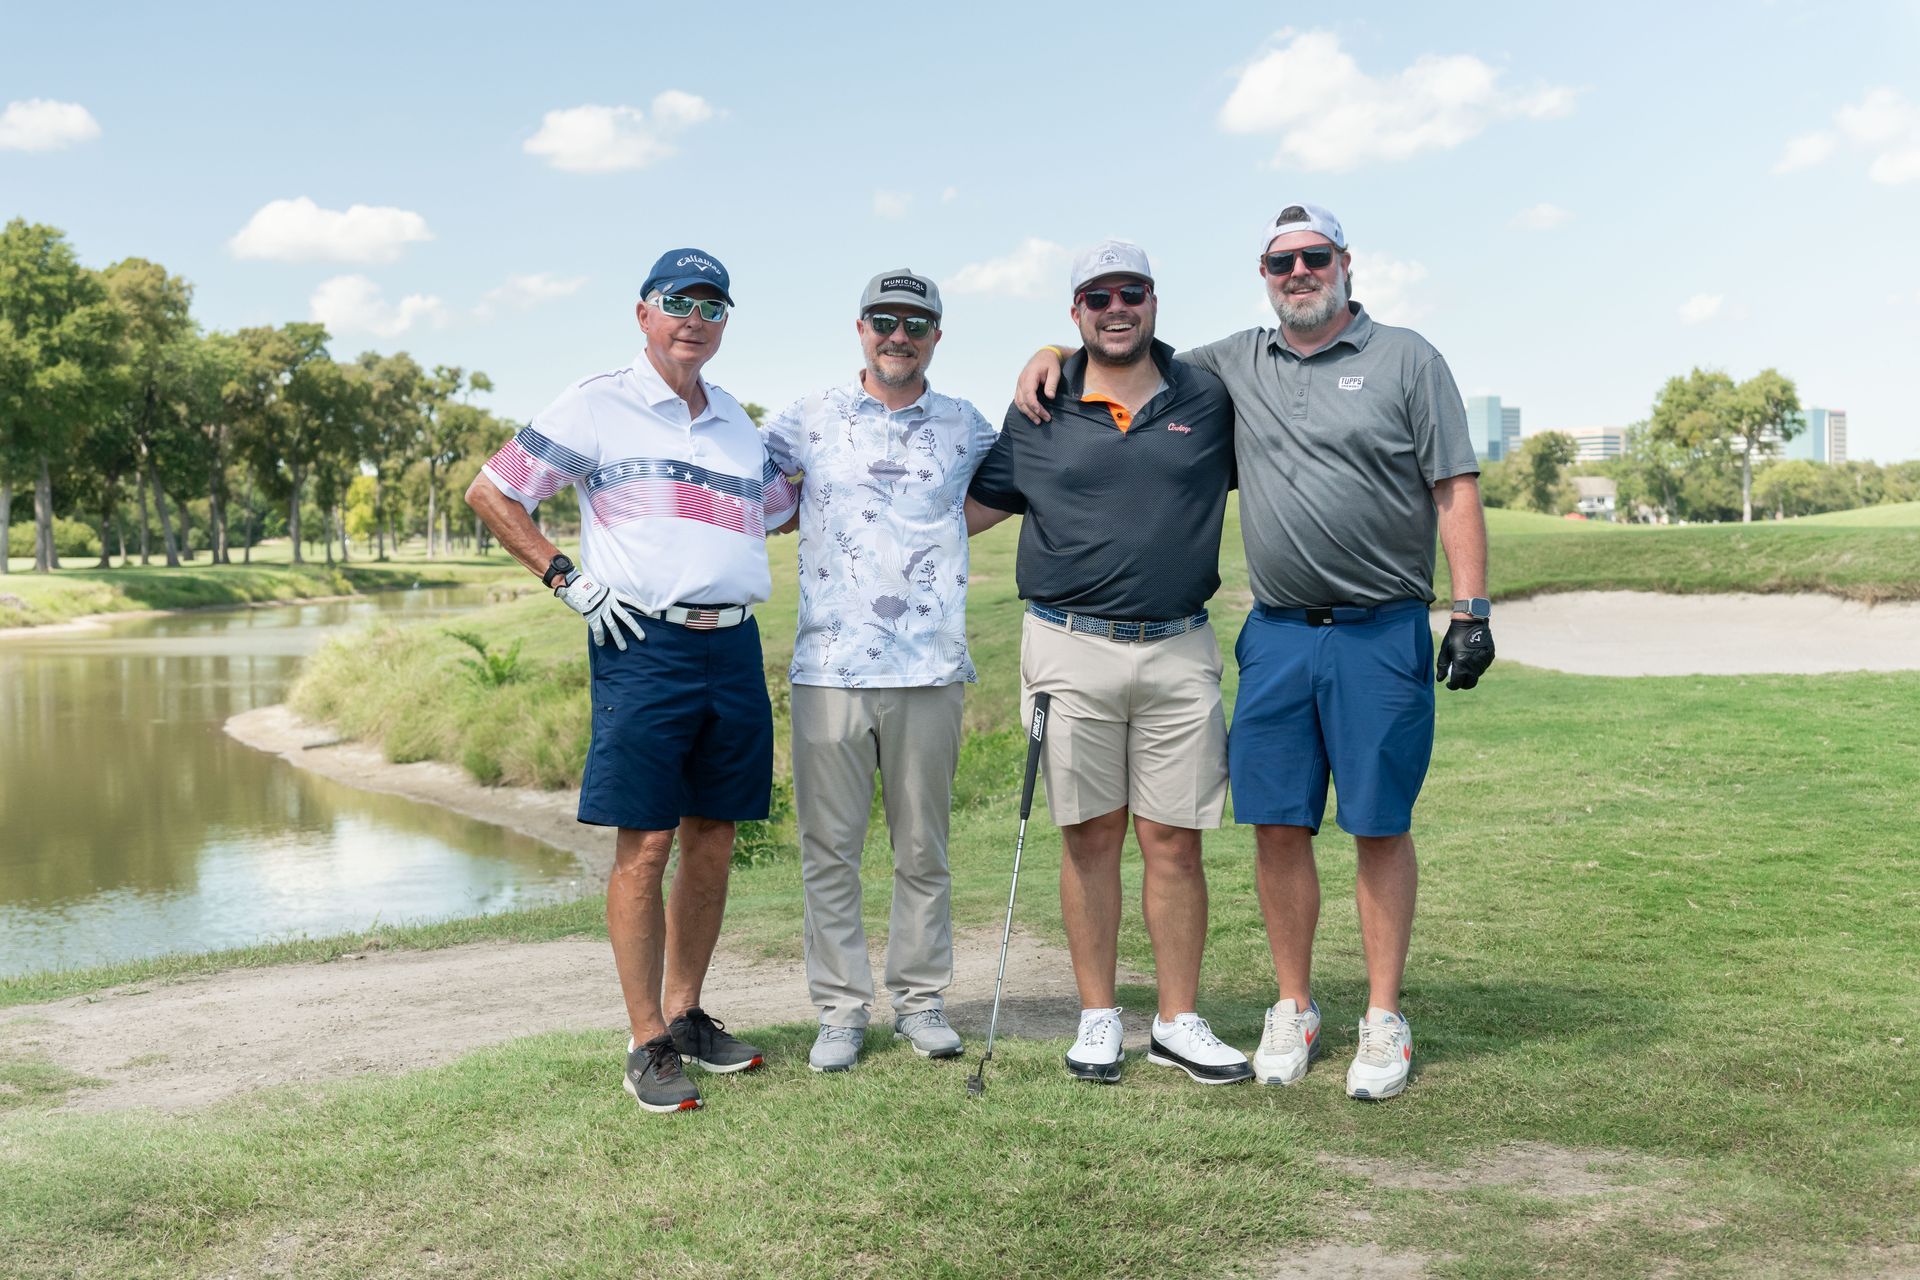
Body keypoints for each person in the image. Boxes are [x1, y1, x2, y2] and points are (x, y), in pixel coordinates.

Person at [1013, 205, 1495, 1101]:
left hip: (1381, 627)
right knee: (1278, 824)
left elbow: (1453, 484)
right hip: (1275, 633)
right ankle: (1293, 1004)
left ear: (1346, 264)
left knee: (1380, 824)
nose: (1299, 273)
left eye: (1314, 258)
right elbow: (1122, 354)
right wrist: (1049, 351)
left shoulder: (1408, 359)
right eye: (1282, 263)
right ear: (1263, 277)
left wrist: (1470, 609)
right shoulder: (1229, 366)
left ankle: (1383, 1016)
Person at [465, 247, 797, 1115]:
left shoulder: (734, 419)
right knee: (646, 845)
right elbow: (495, 491)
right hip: (641, 644)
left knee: (714, 835)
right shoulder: (597, 402)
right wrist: (565, 578)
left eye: (713, 304)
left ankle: (687, 1015)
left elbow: (783, 510)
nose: (696, 316)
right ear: (644, 312)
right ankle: (646, 1039)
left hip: (731, 644)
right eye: (678, 300)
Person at [966, 240, 1252, 1086]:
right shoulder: (1041, 405)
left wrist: (1045, 353)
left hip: (1178, 645)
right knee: (1089, 836)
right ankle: (1097, 1018)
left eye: (1131, 292)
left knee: (1175, 841)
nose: (1115, 307)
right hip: (1067, 642)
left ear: (1155, 301)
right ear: (1076, 312)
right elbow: (972, 511)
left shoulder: (1208, 393)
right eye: (1097, 296)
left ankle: (1178, 1019)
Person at [763, 269, 998, 1073]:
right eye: (883, 320)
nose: (898, 334)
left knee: (922, 848)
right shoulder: (807, 418)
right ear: (859, 327)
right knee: (829, 849)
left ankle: (921, 1000)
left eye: (916, 322)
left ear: (937, 333)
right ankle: (839, 1008)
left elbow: (1018, 482)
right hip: (828, 667)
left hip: (930, 667)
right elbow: (746, 481)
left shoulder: (966, 425)